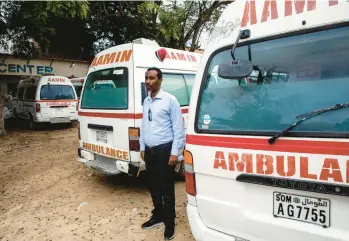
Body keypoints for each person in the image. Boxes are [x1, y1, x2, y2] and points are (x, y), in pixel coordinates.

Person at [139, 67, 185, 240]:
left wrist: (174, 153)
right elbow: (144, 126)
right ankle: (158, 215)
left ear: (160, 80)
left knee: (167, 190)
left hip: (165, 151)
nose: (148, 81)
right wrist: (142, 147)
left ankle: (169, 223)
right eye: (146, 78)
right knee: (153, 187)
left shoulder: (170, 100)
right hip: (150, 152)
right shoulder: (146, 101)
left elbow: (178, 129)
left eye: (151, 78)